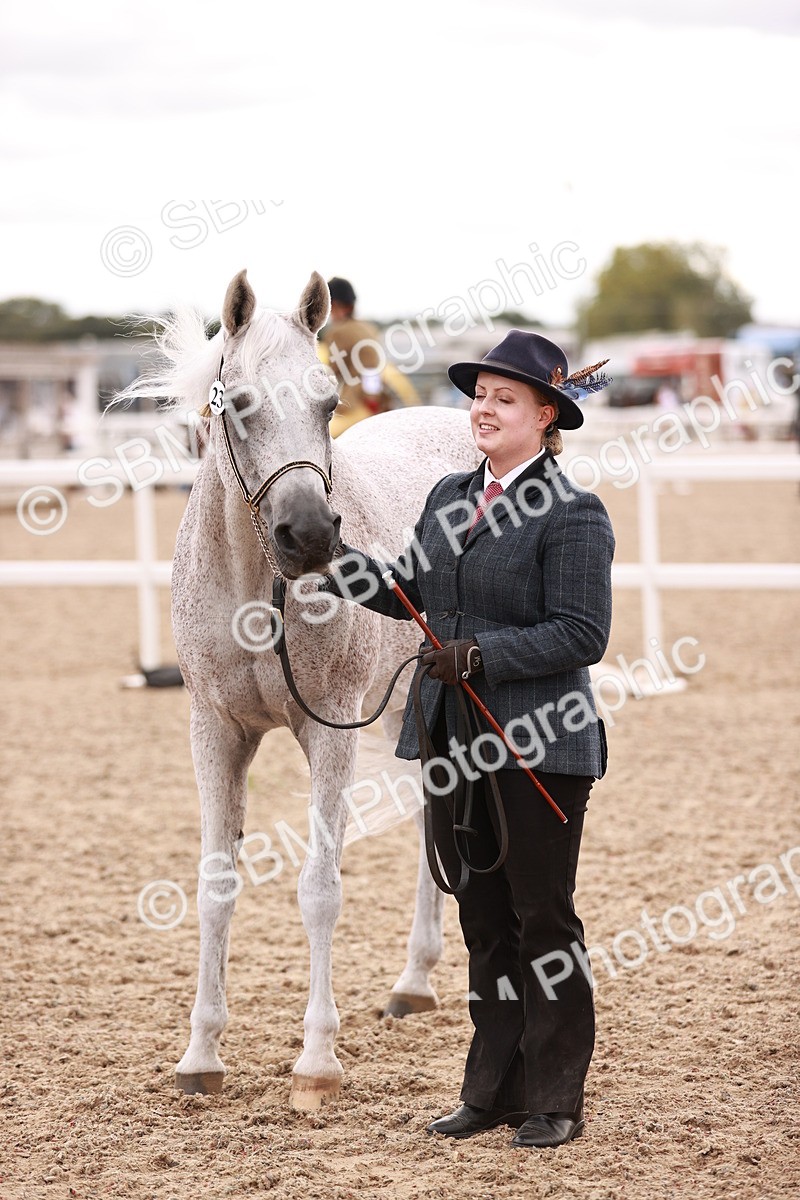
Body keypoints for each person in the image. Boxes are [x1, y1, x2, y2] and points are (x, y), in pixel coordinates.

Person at [322, 330, 615, 1149]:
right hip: (452, 736)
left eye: (504, 398)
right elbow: (412, 591)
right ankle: (491, 1090)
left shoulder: (573, 512)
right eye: (480, 394)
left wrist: (483, 655)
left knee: (542, 920)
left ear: (545, 415)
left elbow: (582, 633)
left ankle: (556, 1098)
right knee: (484, 920)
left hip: (537, 743)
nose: (483, 409)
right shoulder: (451, 496)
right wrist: (331, 561)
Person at [319, 277, 419, 436]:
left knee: (325, 437)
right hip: (377, 400)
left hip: (356, 403)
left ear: (335, 305)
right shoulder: (368, 327)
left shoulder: (337, 332)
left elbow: (333, 372)